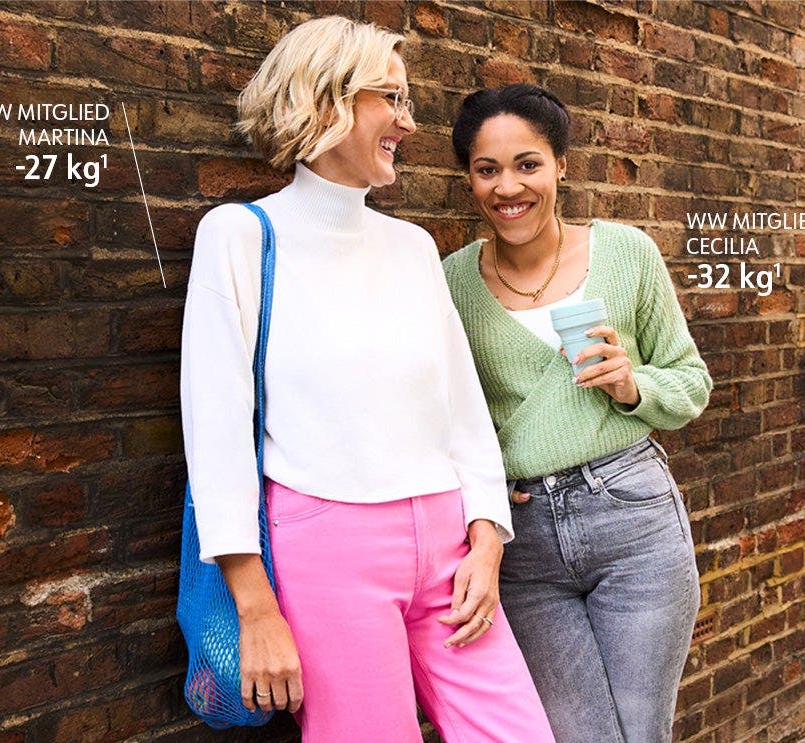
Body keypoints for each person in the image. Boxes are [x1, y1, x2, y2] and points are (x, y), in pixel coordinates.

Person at [180, 18, 555, 743]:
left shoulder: (413, 246)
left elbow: (462, 409)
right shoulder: (240, 236)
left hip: (449, 542)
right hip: (328, 549)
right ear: (327, 101)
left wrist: (486, 537)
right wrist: (255, 607)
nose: (408, 123)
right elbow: (216, 429)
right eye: (392, 98)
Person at [442, 84, 713, 743]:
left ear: (561, 164)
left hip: (634, 520)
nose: (509, 186)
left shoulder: (627, 253)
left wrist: (630, 384)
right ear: (470, 179)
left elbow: (691, 382)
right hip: (524, 541)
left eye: (528, 163)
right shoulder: (449, 281)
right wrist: (474, 489)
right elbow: (440, 411)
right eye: (487, 169)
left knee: (640, 732)